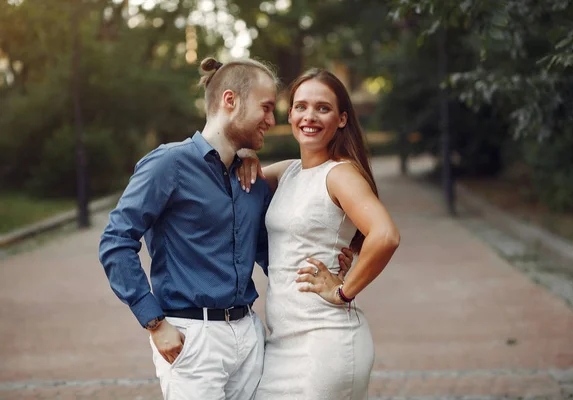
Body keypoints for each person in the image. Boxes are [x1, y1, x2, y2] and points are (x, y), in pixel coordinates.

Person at [98, 57, 353, 400]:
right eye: (265, 108)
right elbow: (116, 240)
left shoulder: (251, 179)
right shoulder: (168, 164)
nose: (272, 119)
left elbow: (273, 253)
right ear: (230, 101)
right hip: (192, 337)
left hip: (249, 335)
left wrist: (331, 269)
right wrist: (154, 322)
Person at [237, 69, 401, 399]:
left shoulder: (340, 174)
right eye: (301, 106)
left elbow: (385, 235)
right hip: (282, 343)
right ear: (291, 112)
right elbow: (233, 179)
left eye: (322, 108)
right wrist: (245, 155)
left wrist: (344, 291)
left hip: (325, 343)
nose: (309, 116)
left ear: (341, 120)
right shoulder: (289, 171)